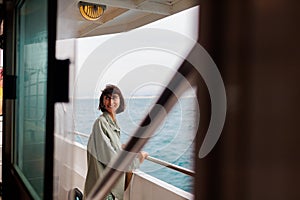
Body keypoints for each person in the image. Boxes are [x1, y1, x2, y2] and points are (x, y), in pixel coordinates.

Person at [84, 84, 148, 200]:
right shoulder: (101, 123)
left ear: (120, 100)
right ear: (102, 101)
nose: (110, 101)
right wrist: (138, 159)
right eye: (107, 98)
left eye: (114, 98)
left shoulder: (113, 123)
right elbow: (111, 158)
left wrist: (121, 148)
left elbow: (109, 147)